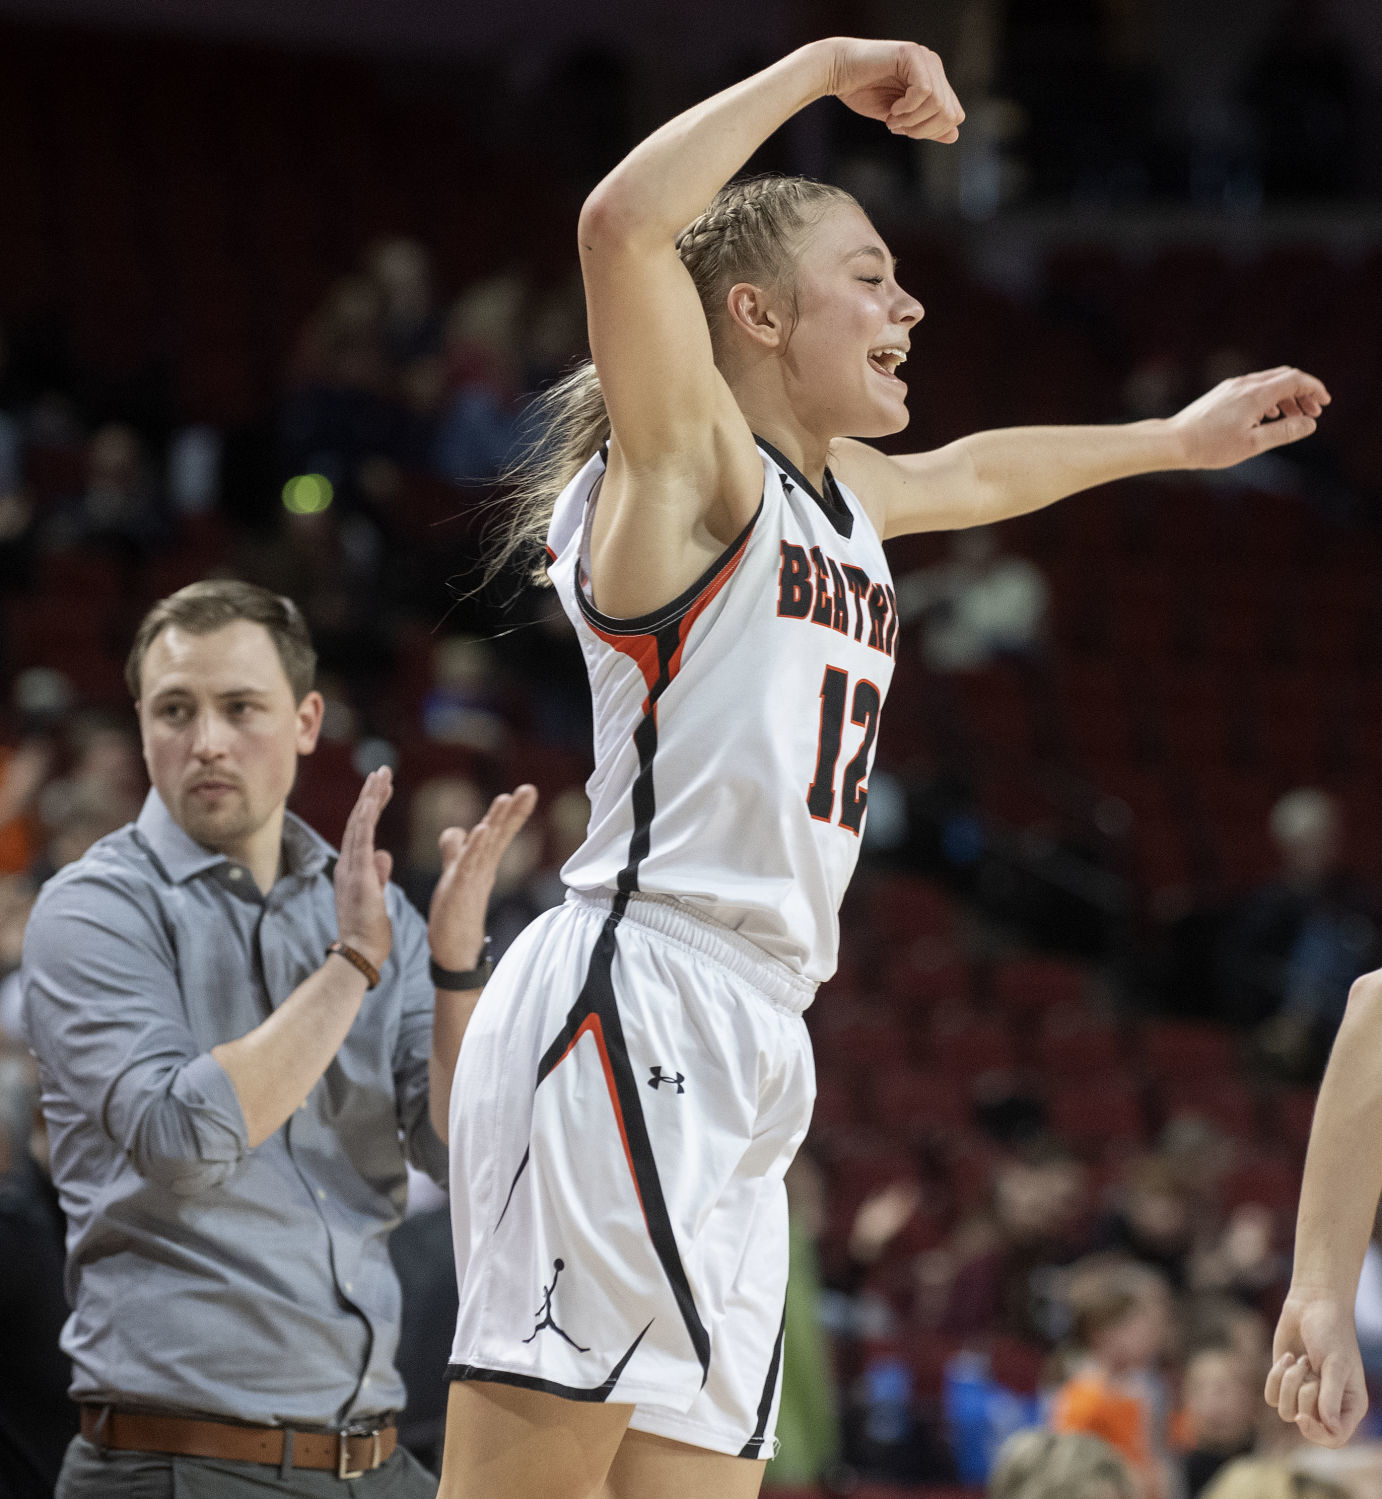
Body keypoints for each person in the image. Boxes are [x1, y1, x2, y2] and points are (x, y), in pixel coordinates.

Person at [438, 33, 1330, 1499]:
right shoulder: (691, 471)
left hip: (760, 1024)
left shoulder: (835, 498)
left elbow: (979, 474)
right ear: (752, 314)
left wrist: (1172, 439)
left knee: (699, 1478)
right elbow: (616, 225)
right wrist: (817, 68)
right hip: (635, 986)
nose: (907, 299)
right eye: (866, 271)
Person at [21, 579, 537, 1497]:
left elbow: (459, 1149)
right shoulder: (92, 910)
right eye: (175, 709)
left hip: (372, 1455)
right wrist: (349, 969)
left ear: (305, 720)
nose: (207, 739)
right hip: (178, 1462)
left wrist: (457, 970)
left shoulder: (379, 918)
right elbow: (186, 1139)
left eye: (240, 707)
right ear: (141, 725)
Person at [1050, 1257, 1174, 1499]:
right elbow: (1069, 1474)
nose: (1153, 1332)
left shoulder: (1150, 1387)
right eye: (1139, 1323)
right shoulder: (1080, 1394)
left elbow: (1155, 1462)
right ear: (1103, 1331)